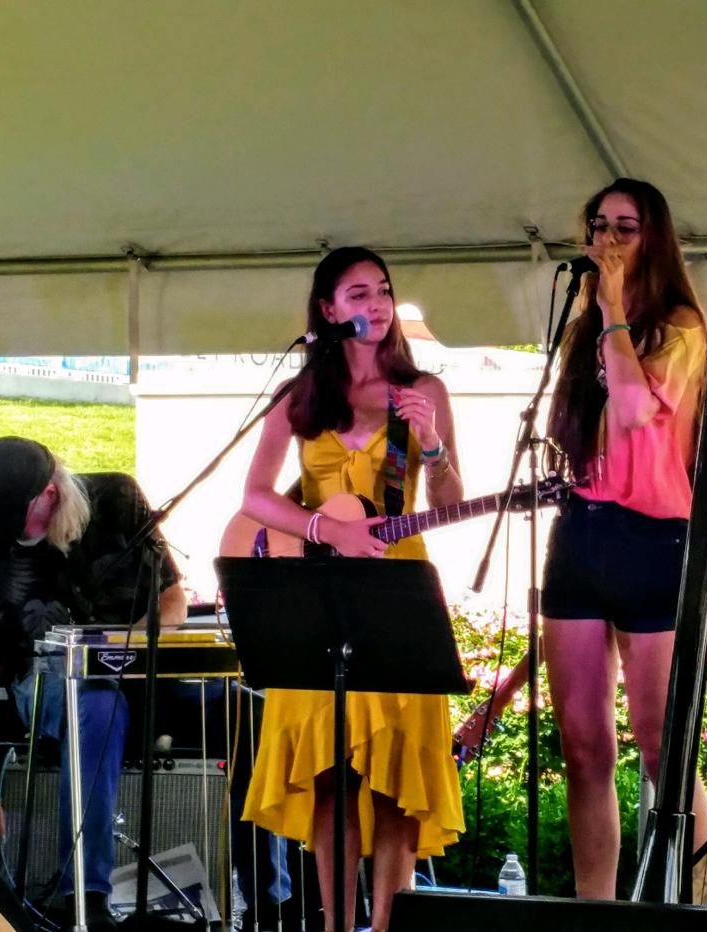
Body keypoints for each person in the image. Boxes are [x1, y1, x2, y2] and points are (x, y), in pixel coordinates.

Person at [239, 246, 465, 931]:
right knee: (333, 774)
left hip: (398, 586)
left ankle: (388, 925)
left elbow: (454, 496)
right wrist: (320, 527)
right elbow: (254, 496)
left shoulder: (422, 389)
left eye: (384, 291)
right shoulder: (300, 398)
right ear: (328, 311)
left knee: (397, 777)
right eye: (359, 293)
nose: (376, 303)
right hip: (320, 590)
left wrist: (430, 448)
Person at [541, 178, 707, 898]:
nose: (607, 241)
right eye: (599, 226)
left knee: (658, 746)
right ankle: (595, 908)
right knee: (583, 749)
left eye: (626, 227)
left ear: (655, 238)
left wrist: (611, 309)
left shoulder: (681, 327)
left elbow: (638, 408)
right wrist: (600, 312)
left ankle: (693, 898)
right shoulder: (585, 323)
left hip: (654, 538)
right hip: (583, 531)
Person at [0, 436, 187, 931]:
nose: (14, 533)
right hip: (44, 683)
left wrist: (117, 647)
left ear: (49, 496)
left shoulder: (117, 500)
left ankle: (278, 899)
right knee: (93, 703)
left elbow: (173, 605)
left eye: (21, 519)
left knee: (247, 705)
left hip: (141, 675)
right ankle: (85, 894)